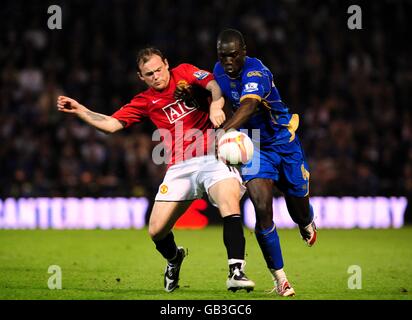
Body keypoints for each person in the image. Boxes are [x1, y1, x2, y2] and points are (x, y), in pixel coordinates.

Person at [57, 47, 255, 293]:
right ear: (141, 77)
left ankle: (236, 271)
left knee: (229, 202)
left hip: (212, 155)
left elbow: (214, 84)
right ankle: (174, 258)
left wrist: (216, 105)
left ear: (166, 64)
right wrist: (80, 110)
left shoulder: (185, 72)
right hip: (180, 166)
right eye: (149, 74)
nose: (156, 76)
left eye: (159, 70)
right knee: (156, 230)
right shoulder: (144, 101)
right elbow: (110, 125)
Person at [212, 29, 317, 297]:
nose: (228, 61)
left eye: (233, 55)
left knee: (299, 207)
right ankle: (280, 278)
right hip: (254, 146)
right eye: (223, 56)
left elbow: (248, 106)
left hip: (283, 141)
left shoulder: (256, 71)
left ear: (244, 52)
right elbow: (218, 96)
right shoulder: (218, 71)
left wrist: (224, 131)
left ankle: (306, 221)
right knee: (262, 207)